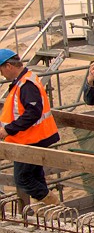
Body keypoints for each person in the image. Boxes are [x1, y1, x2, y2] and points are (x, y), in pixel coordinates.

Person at [0, 49, 59, 205]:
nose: (2, 75)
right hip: (31, 138)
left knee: (23, 179)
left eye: (1, 70)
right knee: (35, 176)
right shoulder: (24, 81)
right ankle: (48, 211)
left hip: (30, 139)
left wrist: (8, 129)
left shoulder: (26, 84)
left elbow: (33, 112)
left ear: (8, 66)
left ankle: (53, 205)